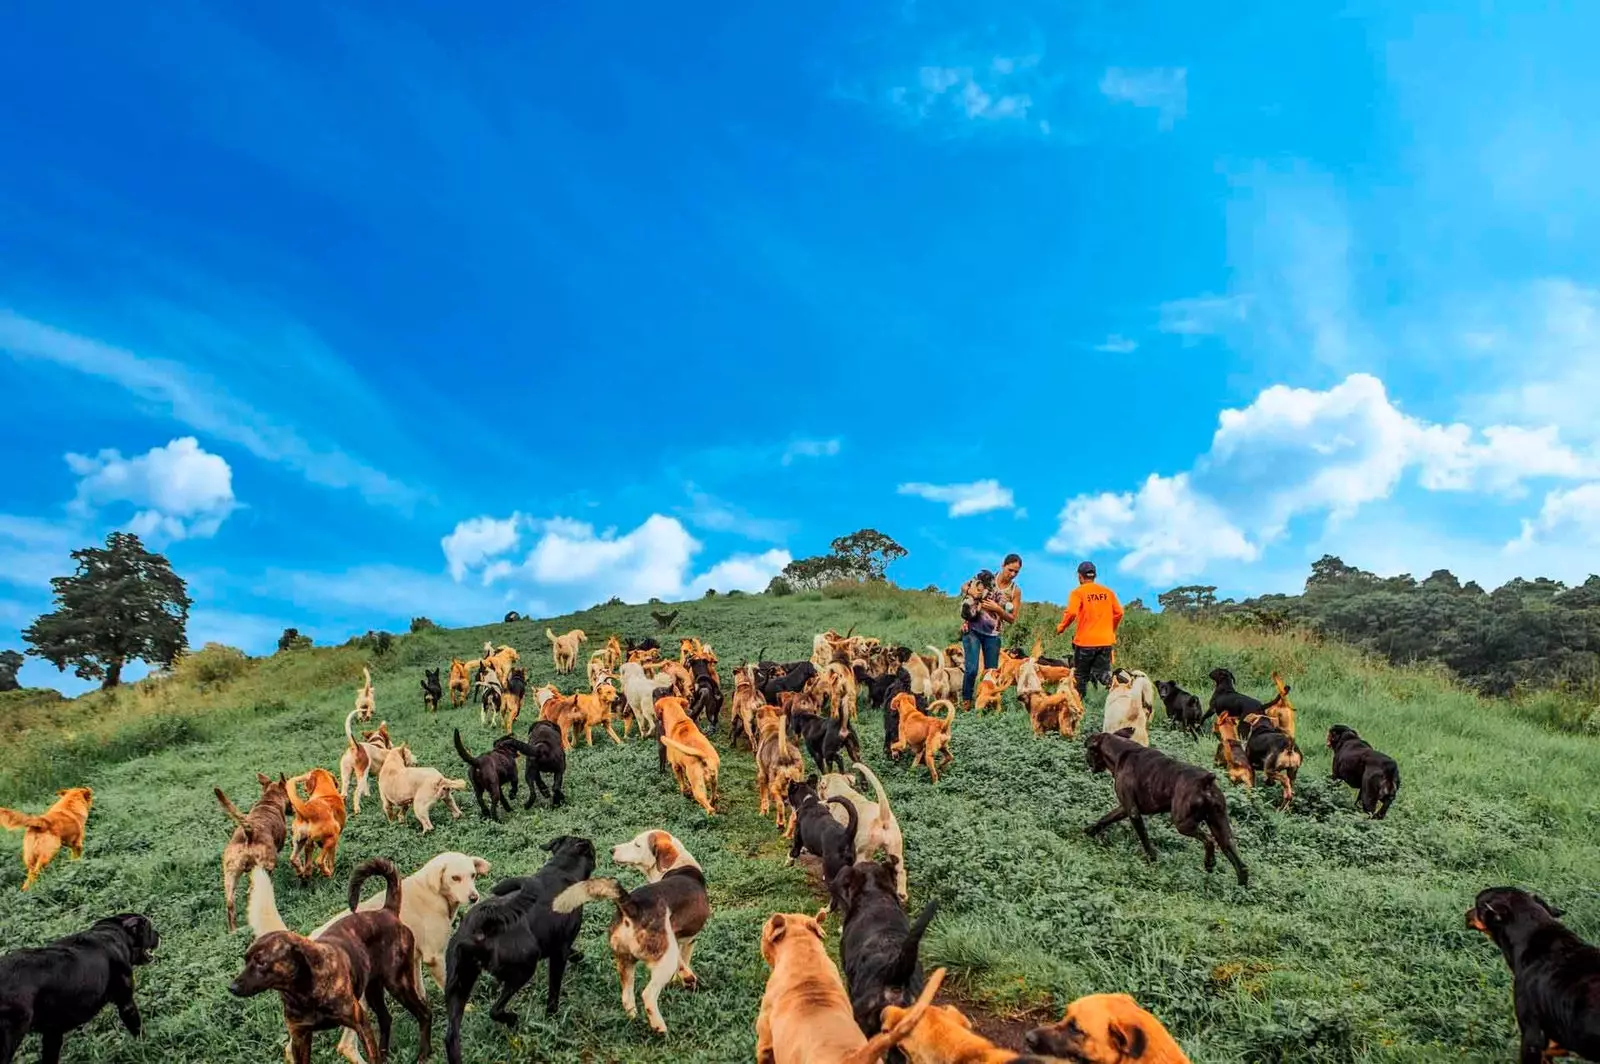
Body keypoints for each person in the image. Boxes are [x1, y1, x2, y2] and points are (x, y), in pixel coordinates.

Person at [1055, 560, 1123, 701]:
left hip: (1085, 642)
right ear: (1094, 576)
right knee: (1104, 674)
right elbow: (1119, 613)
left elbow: (1072, 613)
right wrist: (1111, 629)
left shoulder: (1077, 592)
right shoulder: (1107, 592)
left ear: (1080, 576)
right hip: (1105, 641)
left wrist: (1061, 627)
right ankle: (1121, 694)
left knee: (1080, 676)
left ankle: (1079, 705)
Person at [958, 569, 1007, 709]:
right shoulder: (972, 586)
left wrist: (996, 606)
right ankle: (967, 700)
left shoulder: (996, 592)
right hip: (972, 631)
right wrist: (971, 592)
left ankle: (989, 701)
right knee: (972, 669)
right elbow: (964, 589)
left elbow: (1004, 604)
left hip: (992, 633)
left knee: (991, 671)